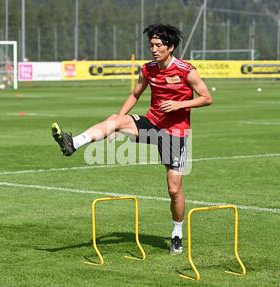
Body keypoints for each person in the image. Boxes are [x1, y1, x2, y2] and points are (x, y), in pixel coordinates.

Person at [51, 24, 213, 255]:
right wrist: (118, 119)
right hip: (151, 124)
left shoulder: (186, 70)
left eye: (158, 45)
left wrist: (180, 104)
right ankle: (73, 143)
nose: (154, 49)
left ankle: (177, 233)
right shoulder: (148, 70)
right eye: (151, 45)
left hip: (175, 133)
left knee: (174, 189)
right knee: (113, 120)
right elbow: (135, 94)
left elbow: (207, 98)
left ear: (171, 47)